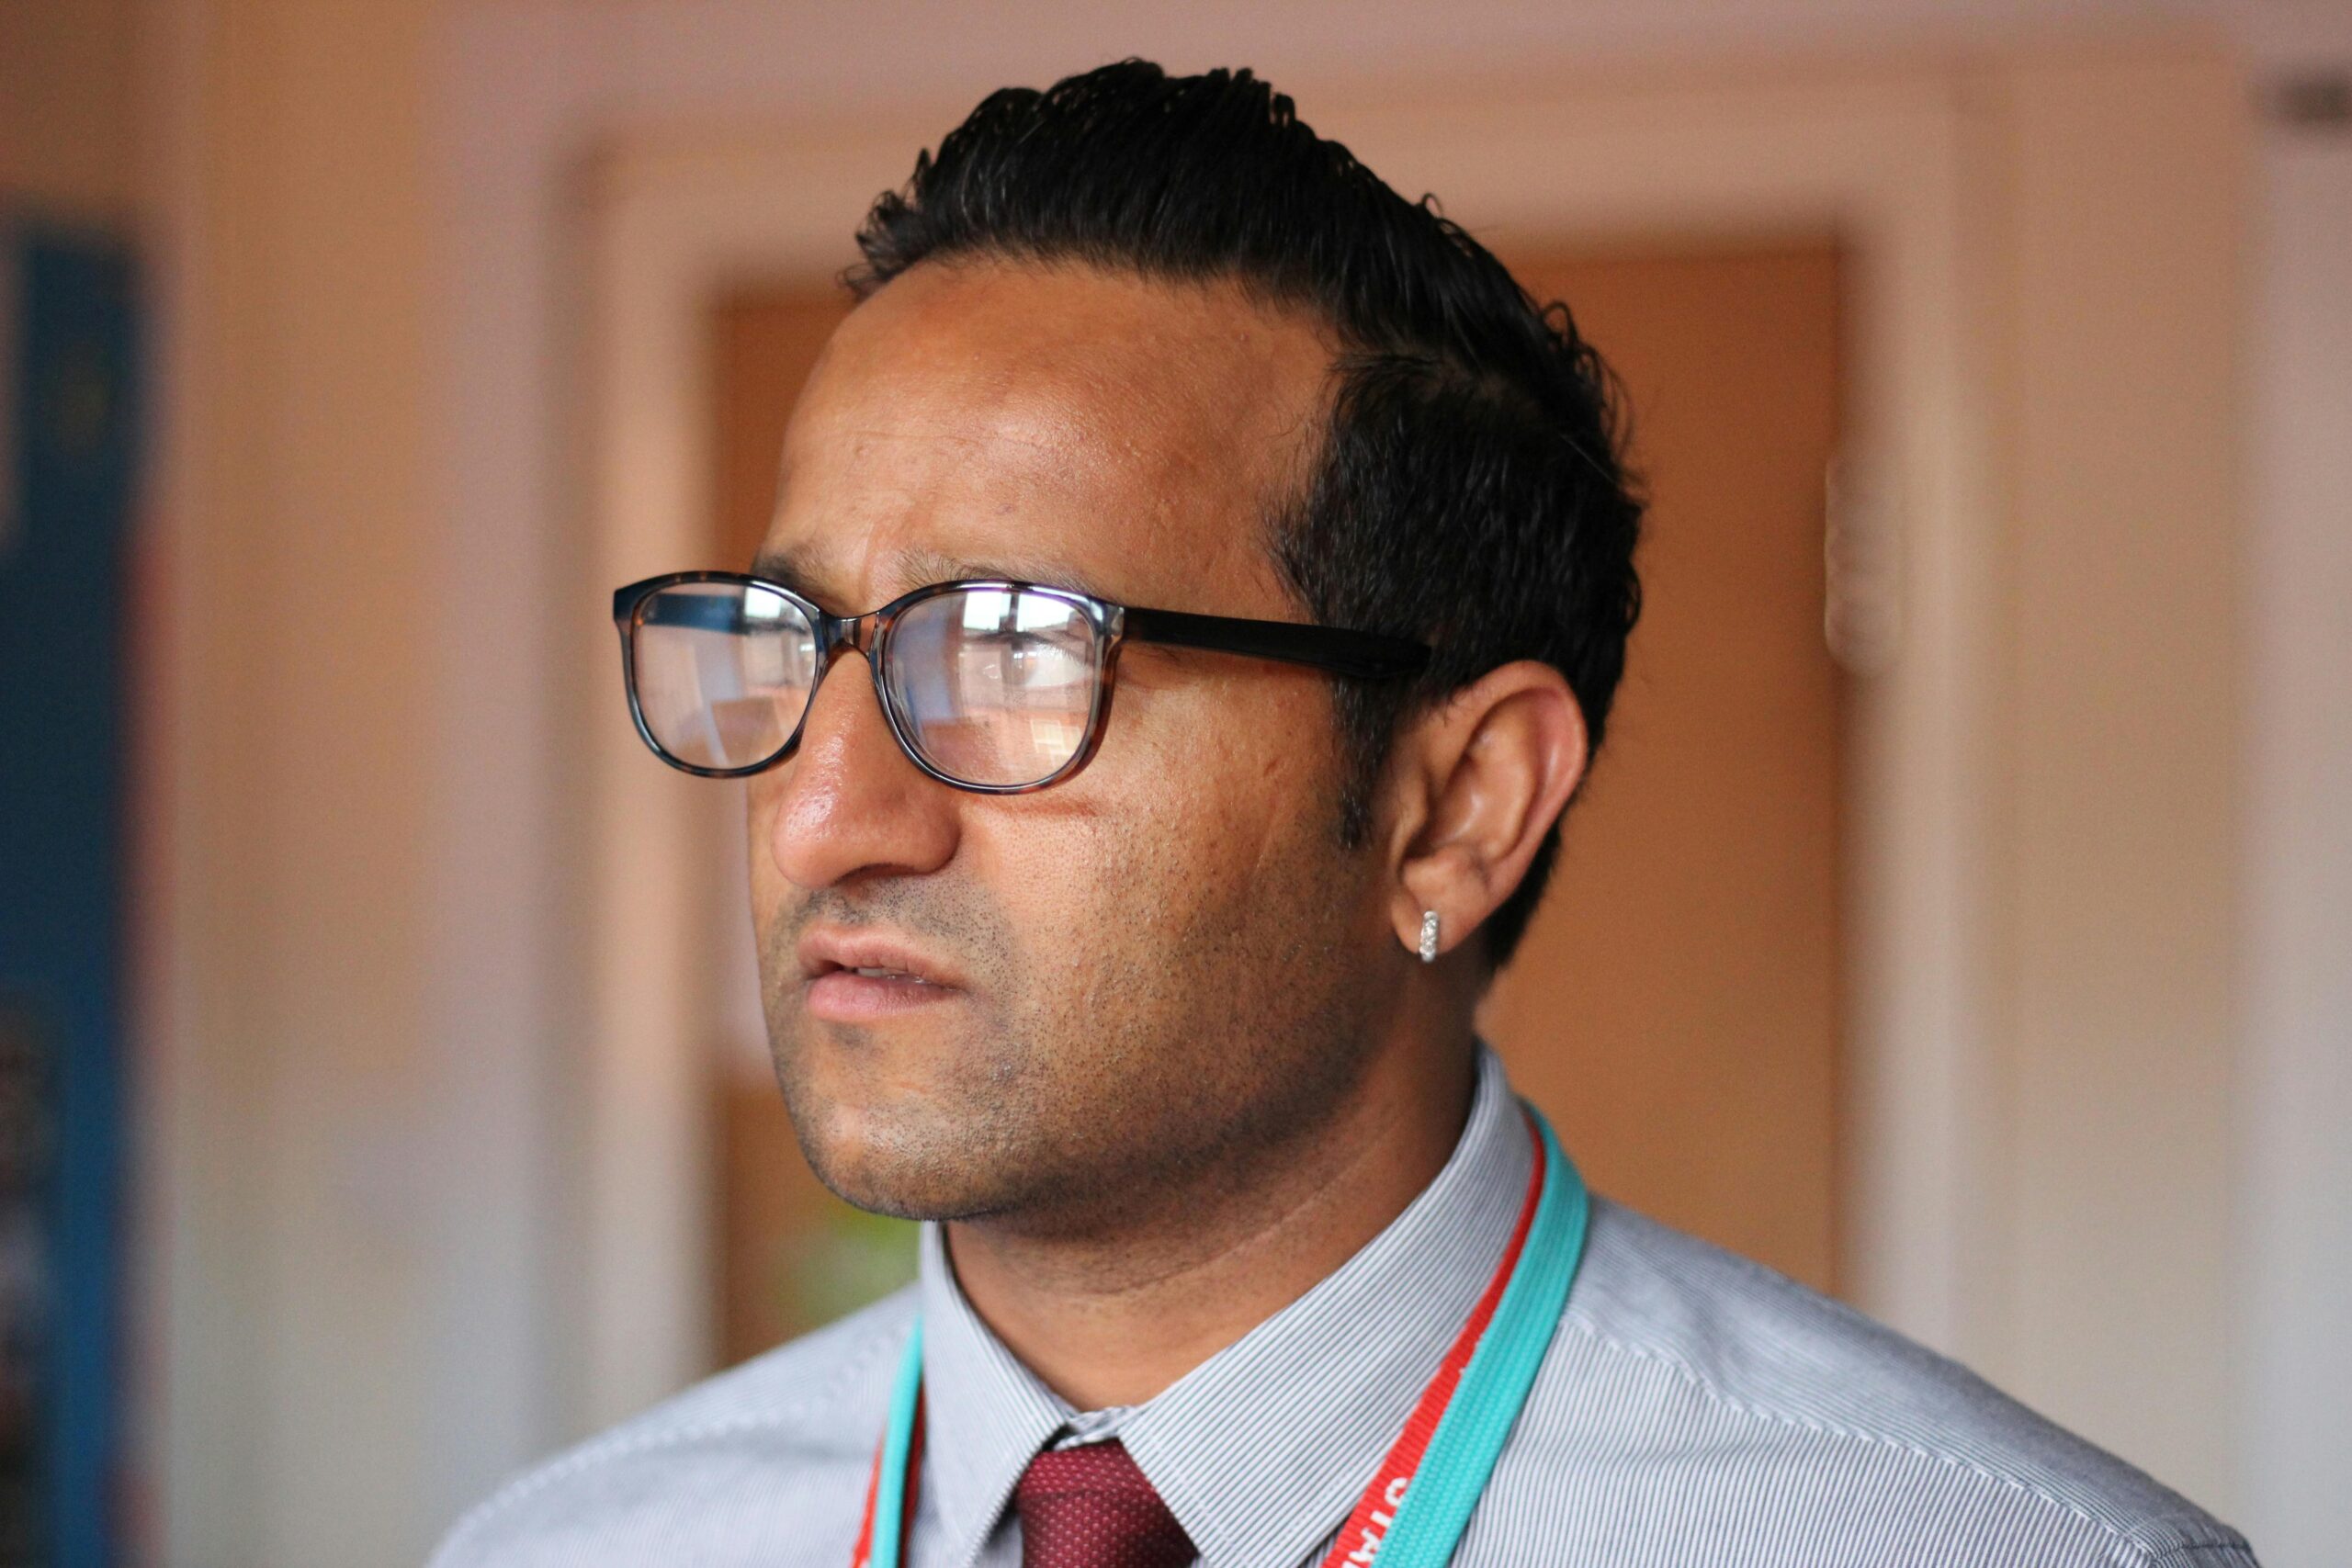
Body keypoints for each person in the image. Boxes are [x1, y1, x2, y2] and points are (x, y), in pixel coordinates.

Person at [433, 61, 2256, 1568]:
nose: (824, 810)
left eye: (1010, 649)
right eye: (794, 639)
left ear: (1453, 805)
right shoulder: (570, 1544)